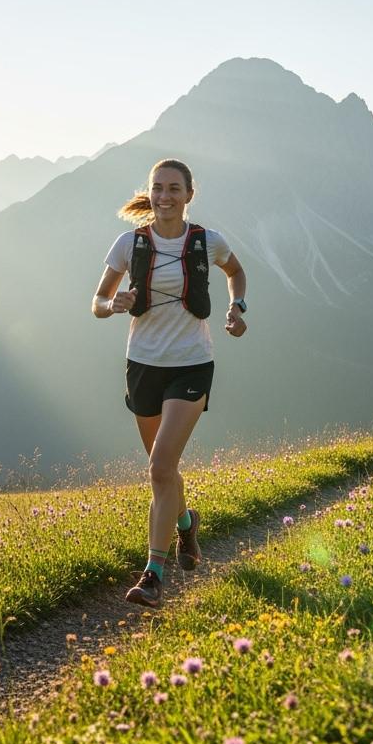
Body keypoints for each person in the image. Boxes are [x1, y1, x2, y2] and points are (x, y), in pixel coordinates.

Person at [92, 159, 247, 608]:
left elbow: (236, 272)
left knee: (160, 468)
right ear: (150, 192)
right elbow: (97, 301)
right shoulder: (129, 244)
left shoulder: (207, 242)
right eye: (158, 188)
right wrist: (112, 303)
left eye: (174, 188)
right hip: (142, 365)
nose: (164, 196)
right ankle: (185, 526)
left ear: (188, 195)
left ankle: (153, 576)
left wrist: (238, 308)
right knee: (166, 473)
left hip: (192, 364)